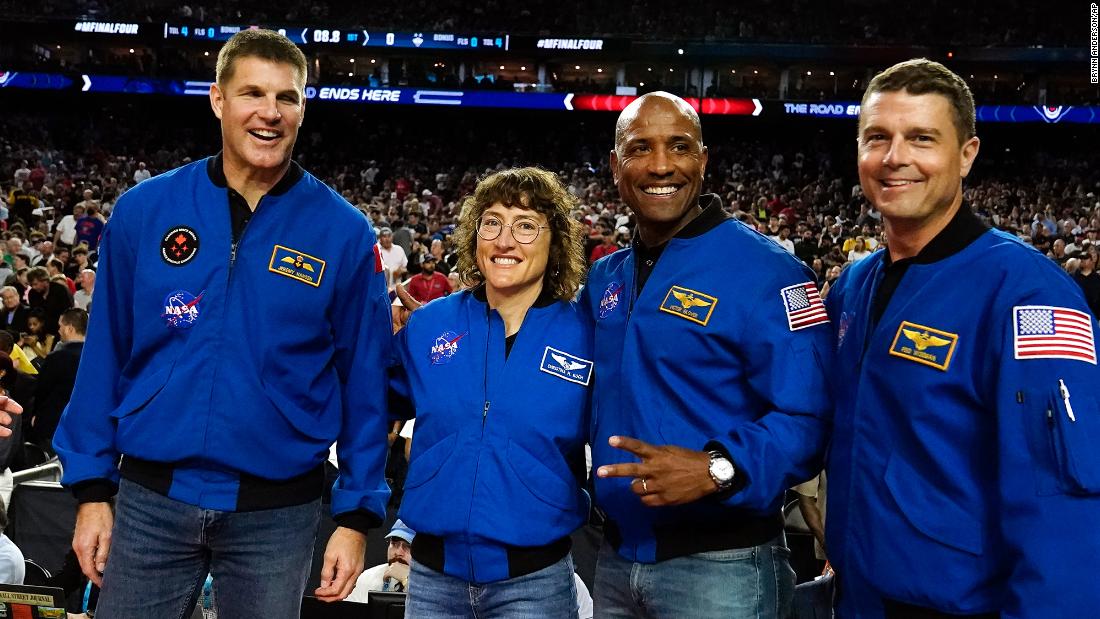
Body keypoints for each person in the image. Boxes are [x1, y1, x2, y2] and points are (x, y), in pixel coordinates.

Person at [51, 29, 393, 618]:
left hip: (277, 514)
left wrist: (356, 516)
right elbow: (104, 353)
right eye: (252, 93)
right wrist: (91, 491)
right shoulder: (145, 211)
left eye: (286, 98)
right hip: (149, 500)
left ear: (303, 109)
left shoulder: (343, 231)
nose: (269, 113)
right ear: (217, 99)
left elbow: (365, 380)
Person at [825, 58, 1100, 618]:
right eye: (877, 137)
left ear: (967, 154)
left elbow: (1063, 507)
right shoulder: (853, 286)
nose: (895, 157)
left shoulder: (1028, 294)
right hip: (858, 597)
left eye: (921, 138)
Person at [583, 91, 832, 619]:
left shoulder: (772, 273)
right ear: (614, 166)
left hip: (724, 567)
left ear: (703, 160)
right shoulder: (605, 277)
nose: (660, 165)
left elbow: (811, 419)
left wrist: (719, 467)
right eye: (639, 148)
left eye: (679, 146)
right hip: (613, 563)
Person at [393, 167, 589, 618]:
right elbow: (370, 403)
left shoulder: (587, 334)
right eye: (492, 222)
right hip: (432, 580)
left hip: (534, 583)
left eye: (525, 225)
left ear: (554, 240)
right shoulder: (428, 327)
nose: (505, 240)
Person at [27, 308, 85, 450]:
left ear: (70, 329)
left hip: (54, 425)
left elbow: (42, 391)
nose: (58, 330)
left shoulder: (57, 357)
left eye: (60, 326)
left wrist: (37, 415)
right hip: (86, 425)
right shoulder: (98, 357)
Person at [346, 519, 415, 601]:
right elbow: (349, 612)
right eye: (394, 543)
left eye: (408, 546)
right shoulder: (368, 577)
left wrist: (407, 581)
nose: (398, 552)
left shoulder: (432, 584)